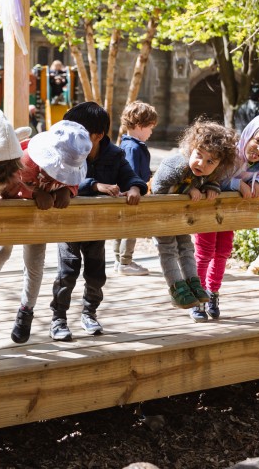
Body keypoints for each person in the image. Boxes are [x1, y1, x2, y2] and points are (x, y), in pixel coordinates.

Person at [0, 120, 92, 344]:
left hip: (38, 219)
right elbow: (6, 186)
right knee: (0, 252)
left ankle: (26, 312)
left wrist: (68, 191)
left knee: (35, 264)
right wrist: (33, 193)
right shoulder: (27, 160)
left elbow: (70, 181)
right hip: (10, 212)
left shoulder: (70, 163)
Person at [49, 101, 148, 341]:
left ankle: (89, 312)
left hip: (97, 226)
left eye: (80, 132)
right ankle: (58, 318)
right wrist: (93, 185)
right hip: (70, 224)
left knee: (96, 273)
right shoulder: (67, 151)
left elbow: (130, 176)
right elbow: (58, 181)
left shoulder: (114, 155)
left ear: (98, 135)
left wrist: (135, 188)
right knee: (67, 270)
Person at [192, 113, 259, 322]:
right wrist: (237, 185)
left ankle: (213, 293)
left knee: (223, 252)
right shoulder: (229, 154)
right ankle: (198, 296)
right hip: (208, 210)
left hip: (228, 216)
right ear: (249, 135)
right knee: (204, 253)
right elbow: (212, 176)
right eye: (258, 141)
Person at [150, 120, 238, 310]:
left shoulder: (207, 172)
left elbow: (209, 180)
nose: (201, 163)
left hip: (180, 217)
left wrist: (212, 188)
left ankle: (193, 283)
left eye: (210, 162)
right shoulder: (176, 165)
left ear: (219, 164)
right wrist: (187, 191)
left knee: (186, 247)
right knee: (168, 249)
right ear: (191, 148)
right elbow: (157, 188)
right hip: (160, 216)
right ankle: (176, 287)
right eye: (199, 155)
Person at [114, 100, 158, 276]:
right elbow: (130, 172)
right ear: (140, 126)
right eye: (150, 127)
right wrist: (136, 188)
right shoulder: (132, 147)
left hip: (128, 193)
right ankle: (125, 261)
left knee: (122, 228)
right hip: (132, 195)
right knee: (131, 227)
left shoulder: (127, 144)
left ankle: (119, 261)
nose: (151, 132)